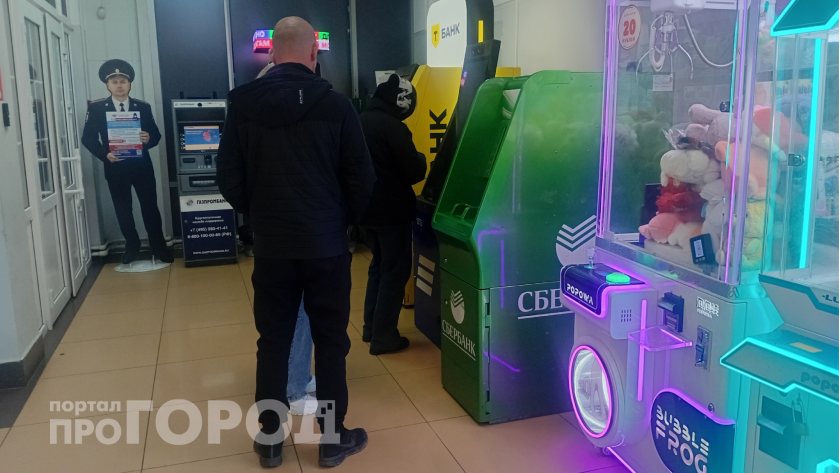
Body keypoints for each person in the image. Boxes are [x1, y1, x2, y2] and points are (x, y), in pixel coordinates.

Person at [216, 17, 375, 469]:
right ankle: (332, 441)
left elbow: (227, 175)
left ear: (272, 53)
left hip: (272, 246)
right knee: (331, 342)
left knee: (273, 340)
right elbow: (362, 177)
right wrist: (341, 220)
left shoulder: (243, 105)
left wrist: (260, 215)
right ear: (313, 53)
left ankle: (270, 439)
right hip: (326, 246)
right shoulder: (338, 106)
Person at [358, 75, 427, 355]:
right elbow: (414, 171)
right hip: (391, 212)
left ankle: (371, 328)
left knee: (378, 266)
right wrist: (422, 158)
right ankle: (384, 337)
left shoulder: (360, 121)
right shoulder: (393, 127)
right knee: (395, 272)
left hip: (365, 211)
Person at [81, 59, 172, 264]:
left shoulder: (143, 107)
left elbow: (156, 135)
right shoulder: (97, 108)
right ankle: (132, 246)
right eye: (114, 82)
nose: (119, 85)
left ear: (130, 84)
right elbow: (88, 138)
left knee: (150, 207)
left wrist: (148, 139)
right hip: (115, 167)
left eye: (123, 81)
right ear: (107, 85)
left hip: (142, 167)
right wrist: (105, 154)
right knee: (123, 209)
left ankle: (159, 247)